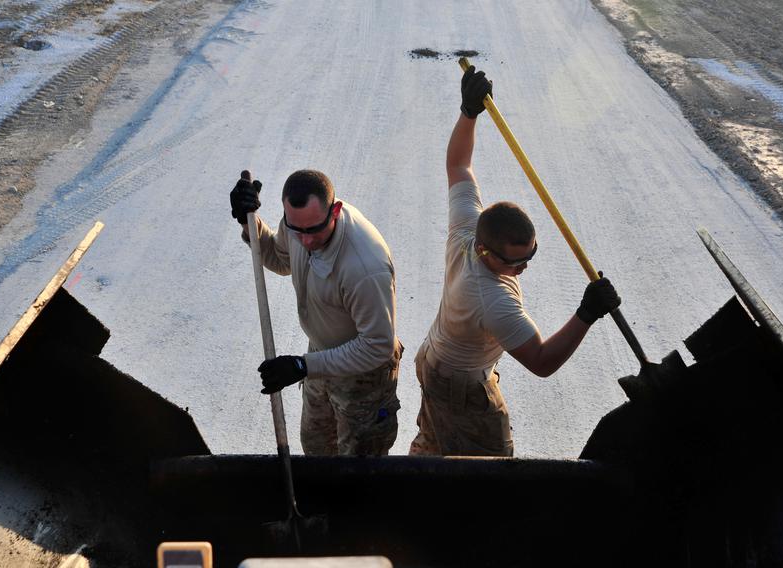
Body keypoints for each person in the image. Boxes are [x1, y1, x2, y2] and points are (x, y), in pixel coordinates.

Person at [408, 66, 622, 457]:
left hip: (436, 361)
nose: (523, 269)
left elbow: (458, 165)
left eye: (530, 257)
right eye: (515, 263)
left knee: (435, 444)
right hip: (460, 386)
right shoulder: (492, 301)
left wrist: (468, 112)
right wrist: (586, 313)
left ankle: (422, 472)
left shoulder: (467, 227)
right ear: (485, 252)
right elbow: (541, 362)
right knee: (489, 469)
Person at [230, 169, 401, 456]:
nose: (305, 241)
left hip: (364, 377)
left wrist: (302, 366)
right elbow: (280, 259)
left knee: (359, 466)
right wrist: (251, 225)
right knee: (317, 450)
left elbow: (378, 347)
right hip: (319, 358)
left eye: (313, 230)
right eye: (296, 230)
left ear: (335, 211)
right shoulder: (300, 225)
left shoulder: (365, 268)